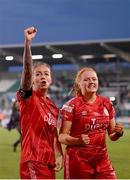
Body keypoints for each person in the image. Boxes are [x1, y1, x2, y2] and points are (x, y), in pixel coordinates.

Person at [59, 67, 123, 179]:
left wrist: (118, 133)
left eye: (94, 79)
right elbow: (62, 136)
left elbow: (112, 135)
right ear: (79, 84)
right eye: (87, 79)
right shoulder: (71, 106)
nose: (92, 82)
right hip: (78, 160)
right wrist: (77, 141)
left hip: (102, 160)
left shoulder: (106, 103)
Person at [17, 27, 63, 179]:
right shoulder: (28, 98)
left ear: (50, 80)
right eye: (38, 74)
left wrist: (59, 155)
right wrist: (27, 44)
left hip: (48, 164)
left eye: (46, 74)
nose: (42, 77)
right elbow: (27, 71)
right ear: (33, 80)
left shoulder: (53, 107)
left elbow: (54, 135)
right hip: (33, 161)